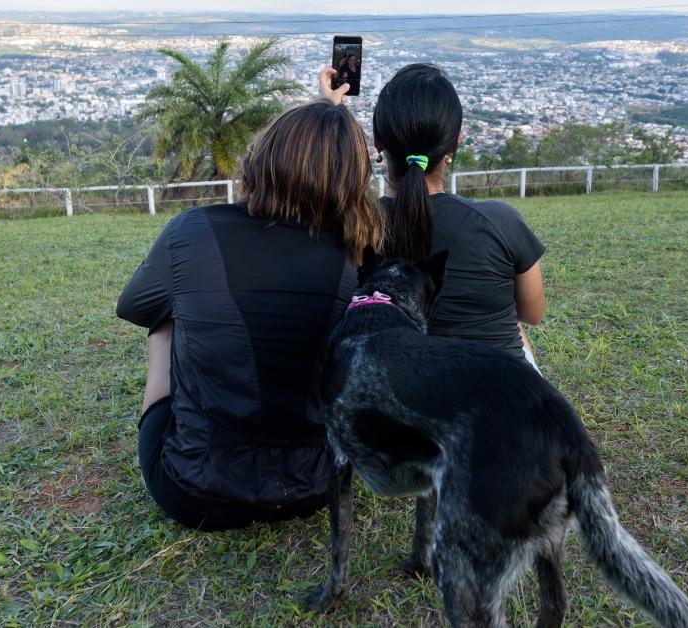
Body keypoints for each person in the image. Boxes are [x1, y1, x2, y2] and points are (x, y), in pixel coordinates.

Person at [116, 88, 383, 531]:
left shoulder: (193, 231)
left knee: (166, 319)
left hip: (191, 489)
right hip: (315, 487)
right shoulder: (361, 250)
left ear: (262, 158)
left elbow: (134, 307)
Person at [336, 63, 547, 365]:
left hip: (396, 395)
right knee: (515, 327)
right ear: (456, 141)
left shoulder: (352, 225)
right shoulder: (500, 221)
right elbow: (532, 313)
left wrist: (329, 110)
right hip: (500, 396)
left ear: (377, 142)